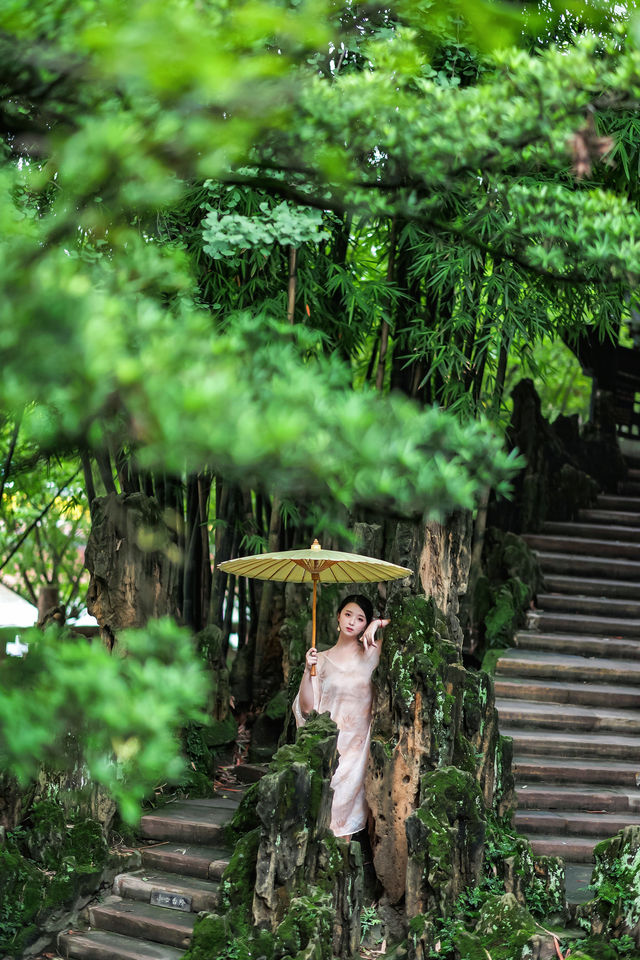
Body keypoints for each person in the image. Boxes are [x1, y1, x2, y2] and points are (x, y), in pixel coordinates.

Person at [292, 594, 390, 840]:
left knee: (343, 822)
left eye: (360, 619)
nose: (351, 622)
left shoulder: (373, 652)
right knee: (321, 812)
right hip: (330, 746)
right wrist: (308, 669)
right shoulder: (321, 659)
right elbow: (307, 708)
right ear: (338, 616)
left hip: (358, 750)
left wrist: (377, 624)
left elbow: (408, 629)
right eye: (348, 614)